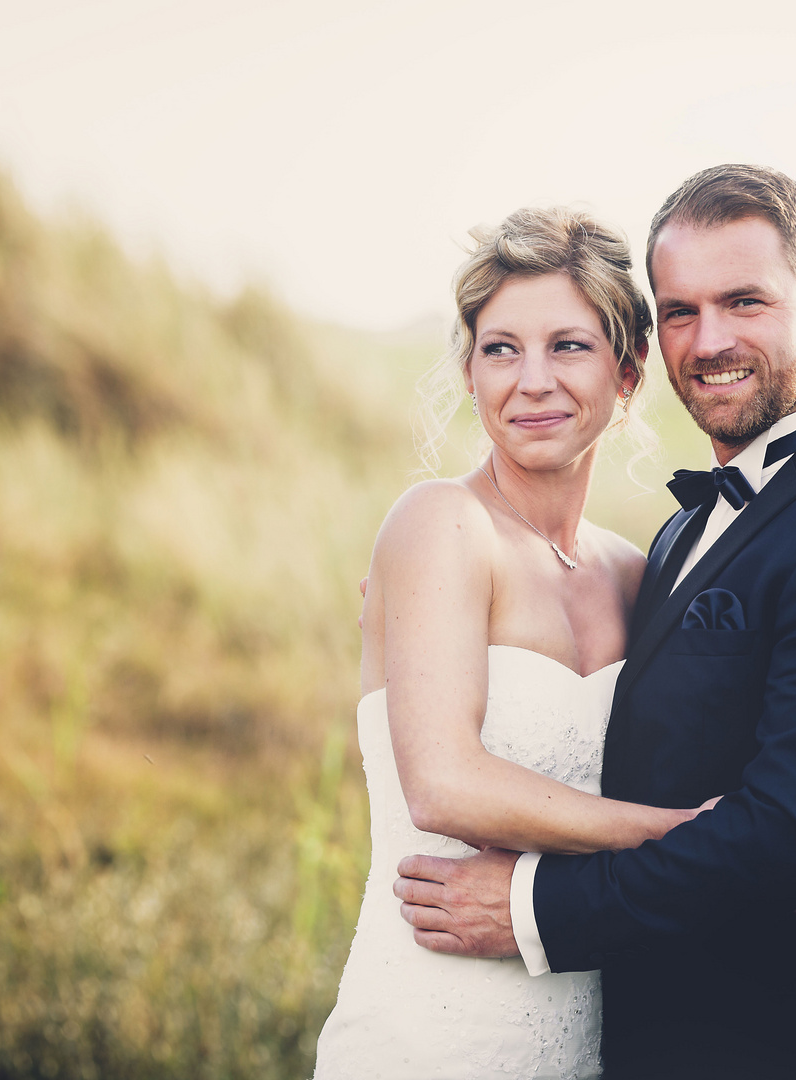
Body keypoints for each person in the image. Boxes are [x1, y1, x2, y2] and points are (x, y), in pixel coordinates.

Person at [394, 165, 796, 1079]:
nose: (709, 341)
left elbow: (795, 843)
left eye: (744, 301)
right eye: (679, 310)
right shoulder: (671, 540)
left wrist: (534, 910)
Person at [313, 206, 722, 1078]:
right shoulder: (438, 523)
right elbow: (446, 785)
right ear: (468, 370)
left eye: (567, 346)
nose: (531, 381)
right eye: (501, 349)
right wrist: (680, 837)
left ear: (630, 369)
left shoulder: (634, 573)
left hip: (581, 1032)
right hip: (426, 1028)